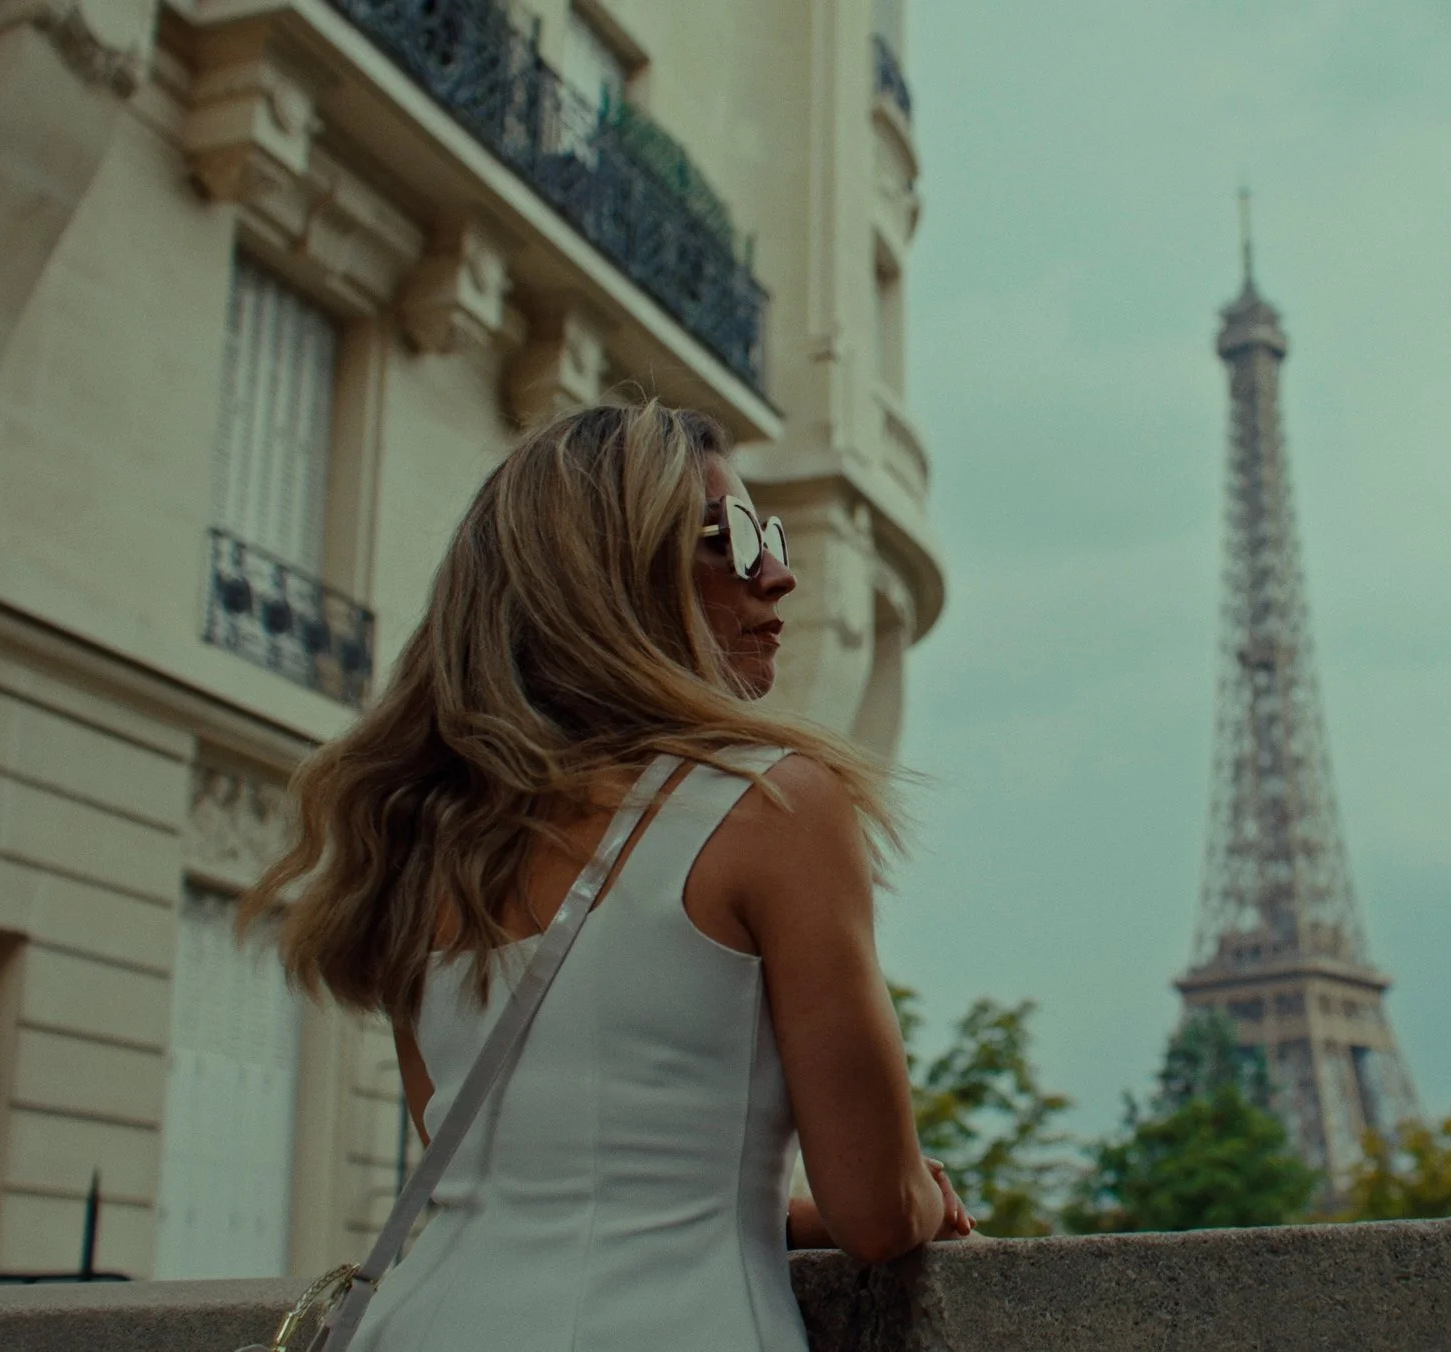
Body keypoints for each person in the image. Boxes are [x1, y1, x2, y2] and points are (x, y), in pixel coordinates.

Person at [242, 402, 969, 1352]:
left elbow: (509, 1179)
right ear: (614, 575)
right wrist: (920, 1193)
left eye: (770, 537)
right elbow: (879, 1213)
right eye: (733, 539)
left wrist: (771, 1210)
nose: (779, 572)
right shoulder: (776, 810)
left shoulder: (428, 842)